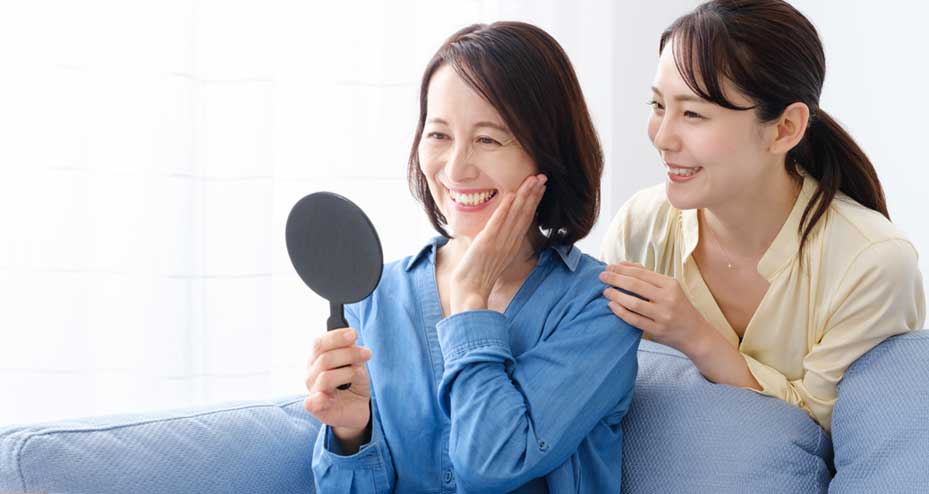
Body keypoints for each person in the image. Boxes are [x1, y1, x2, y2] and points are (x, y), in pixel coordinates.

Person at [304, 22, 642, 492]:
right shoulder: (378, 294)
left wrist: (470, 301)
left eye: (488, 139)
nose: (457, 169)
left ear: (548, 154)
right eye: (439, 135)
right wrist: (350, 430)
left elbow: (492, 465)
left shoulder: (600, 309)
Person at [600, 0, 925, 432]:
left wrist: (696, 336)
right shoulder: (641, 227)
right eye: (658, 105)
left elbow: (833, 430)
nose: (662, 137)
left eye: (693, 113)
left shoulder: (872, 264)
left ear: (785, 128)